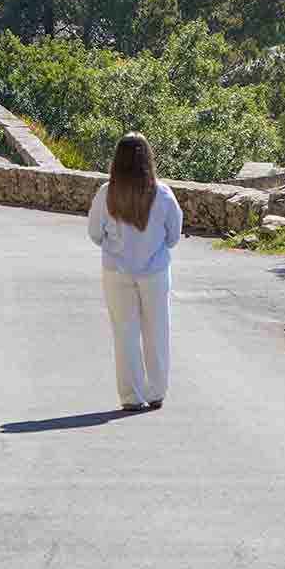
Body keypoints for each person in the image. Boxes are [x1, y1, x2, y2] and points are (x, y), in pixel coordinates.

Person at [87, 133, 182, 413]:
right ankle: (156, 392)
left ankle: (130, 395)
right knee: (157, 331)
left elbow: (94, 233)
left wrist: (114, 244)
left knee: (124, 334)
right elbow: (174, 236)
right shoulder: (162, 193)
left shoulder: (107, 193)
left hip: (116, 272)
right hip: (154, 272)